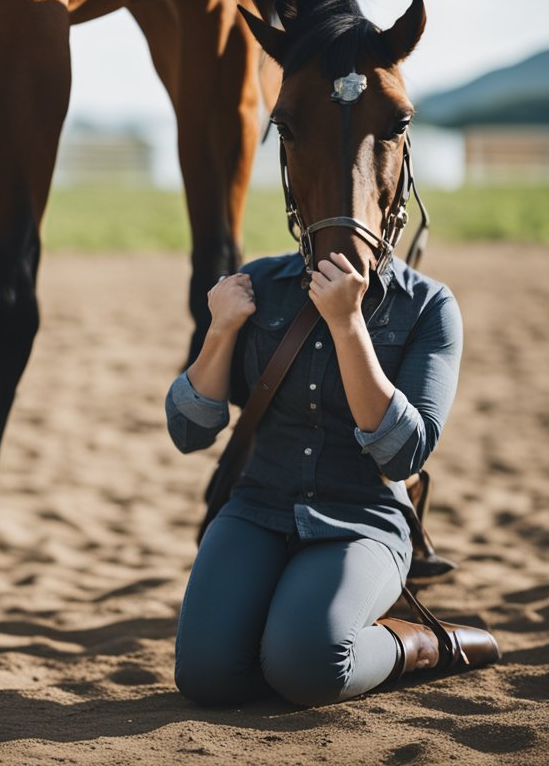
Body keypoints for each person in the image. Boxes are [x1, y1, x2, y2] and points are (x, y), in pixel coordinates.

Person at [166, 249, 498, 707]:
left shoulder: (428, 304)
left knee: (308, 669)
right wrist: (220, 328)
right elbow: (189, 432)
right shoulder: (257, 282)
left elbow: (403, 456)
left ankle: (421, 644)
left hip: (362, 521)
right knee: (206, 677)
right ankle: (290, 639)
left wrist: (348, 325)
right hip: (256, 510)